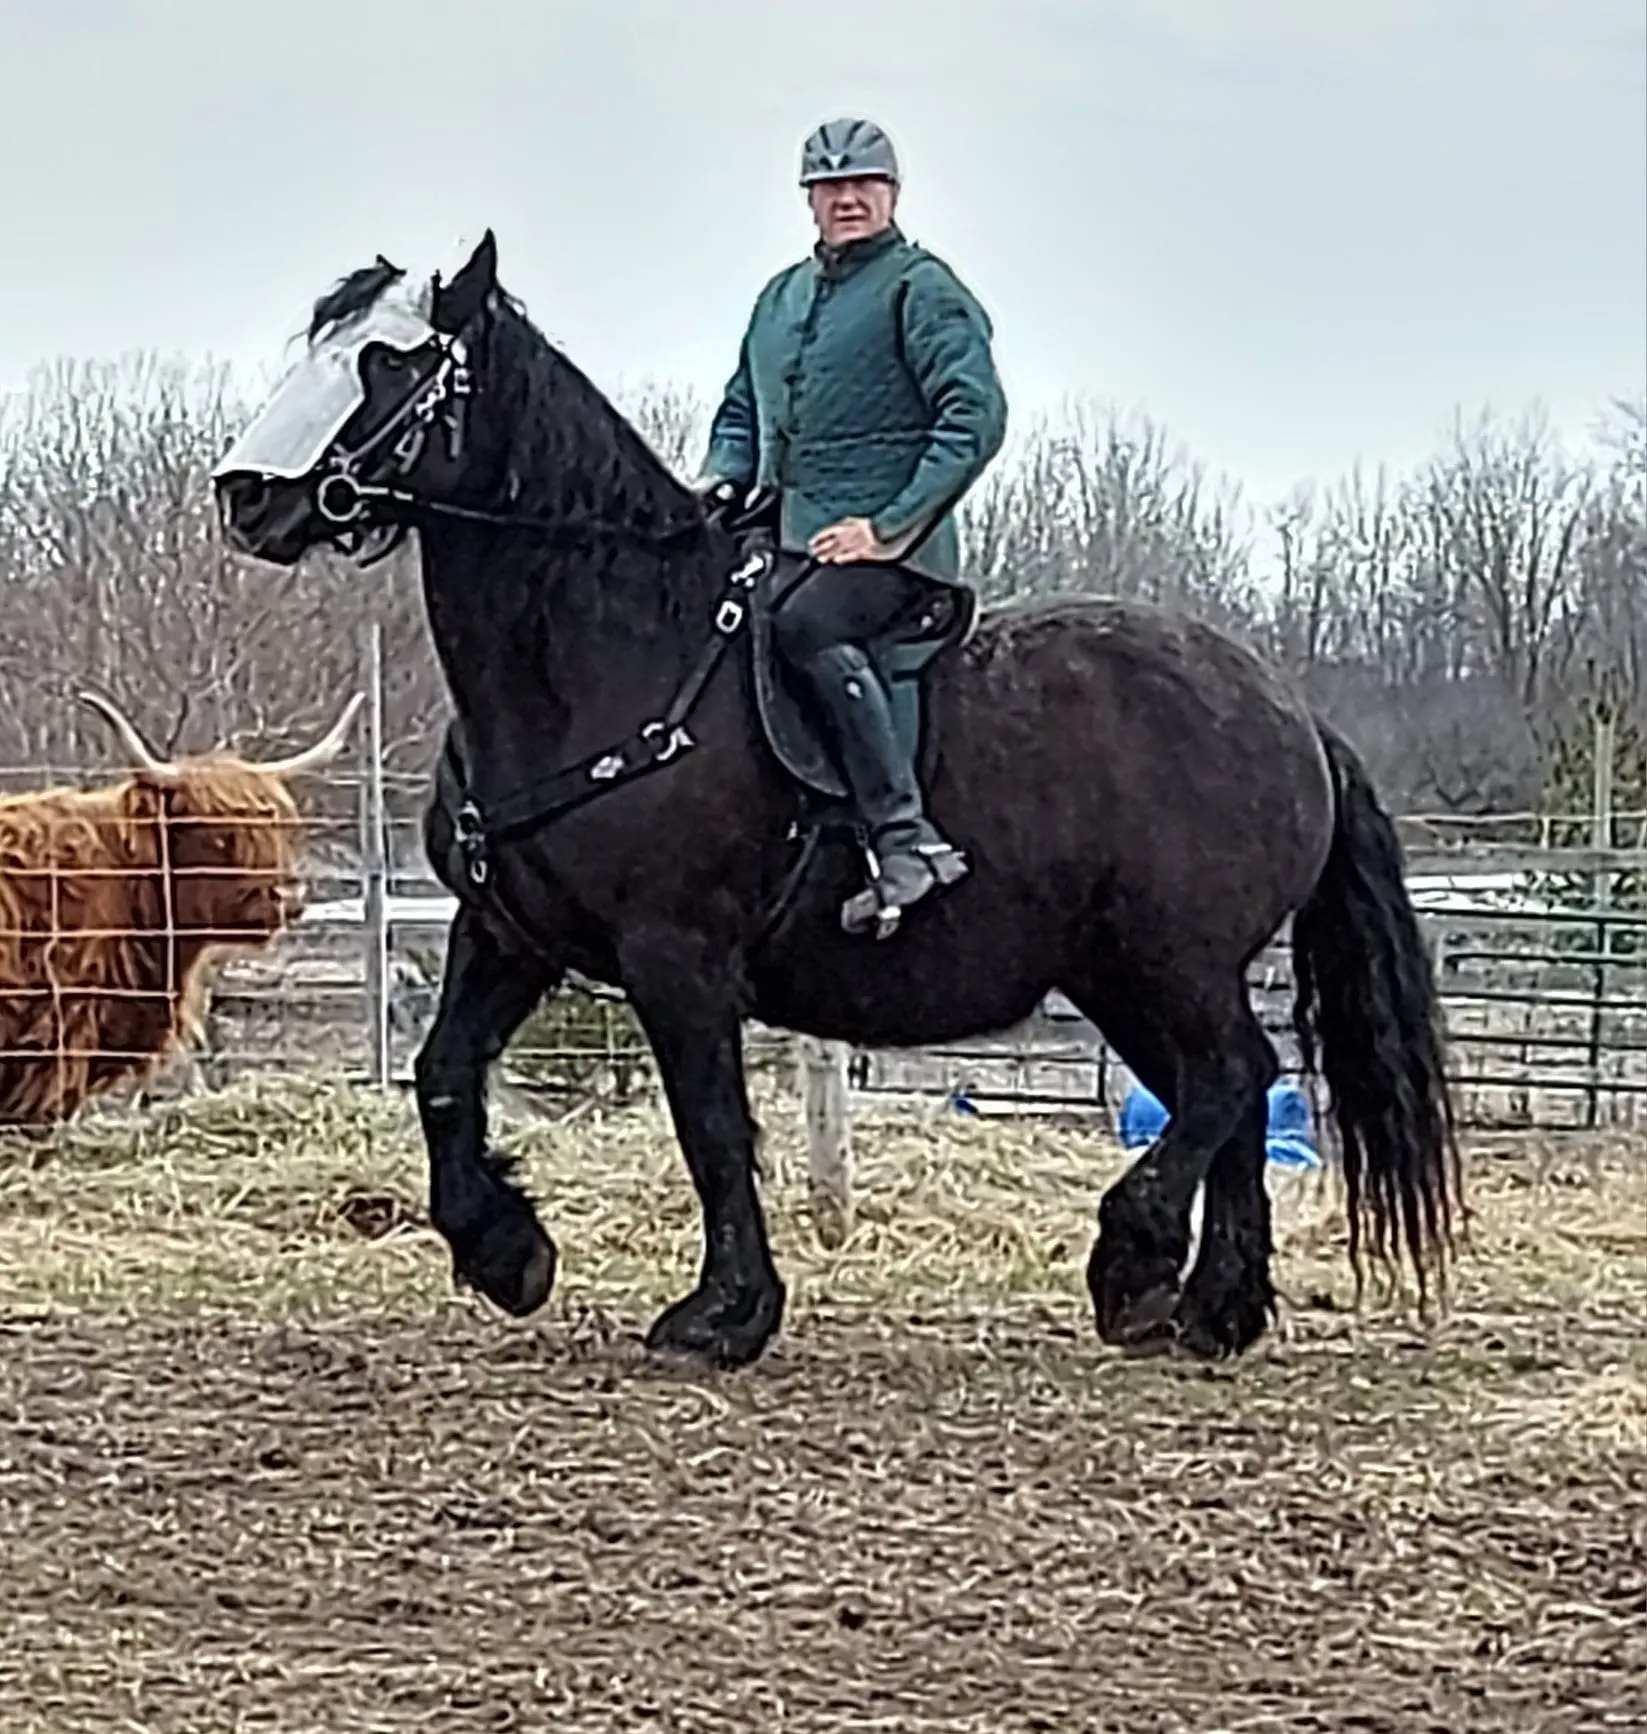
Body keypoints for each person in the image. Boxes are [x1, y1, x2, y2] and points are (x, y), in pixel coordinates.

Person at [695, 117, 1009, 938]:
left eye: (862, 185)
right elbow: (740, 409)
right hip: (788, 533)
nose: (846, 199)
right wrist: (721, 476)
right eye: (829, 187)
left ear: (892, 194)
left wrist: (887, 527)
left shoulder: (921, 289)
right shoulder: (780, 297)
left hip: (894, 558)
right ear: (808, 200)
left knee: (803, 623)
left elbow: (973, 418)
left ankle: (902, 835)